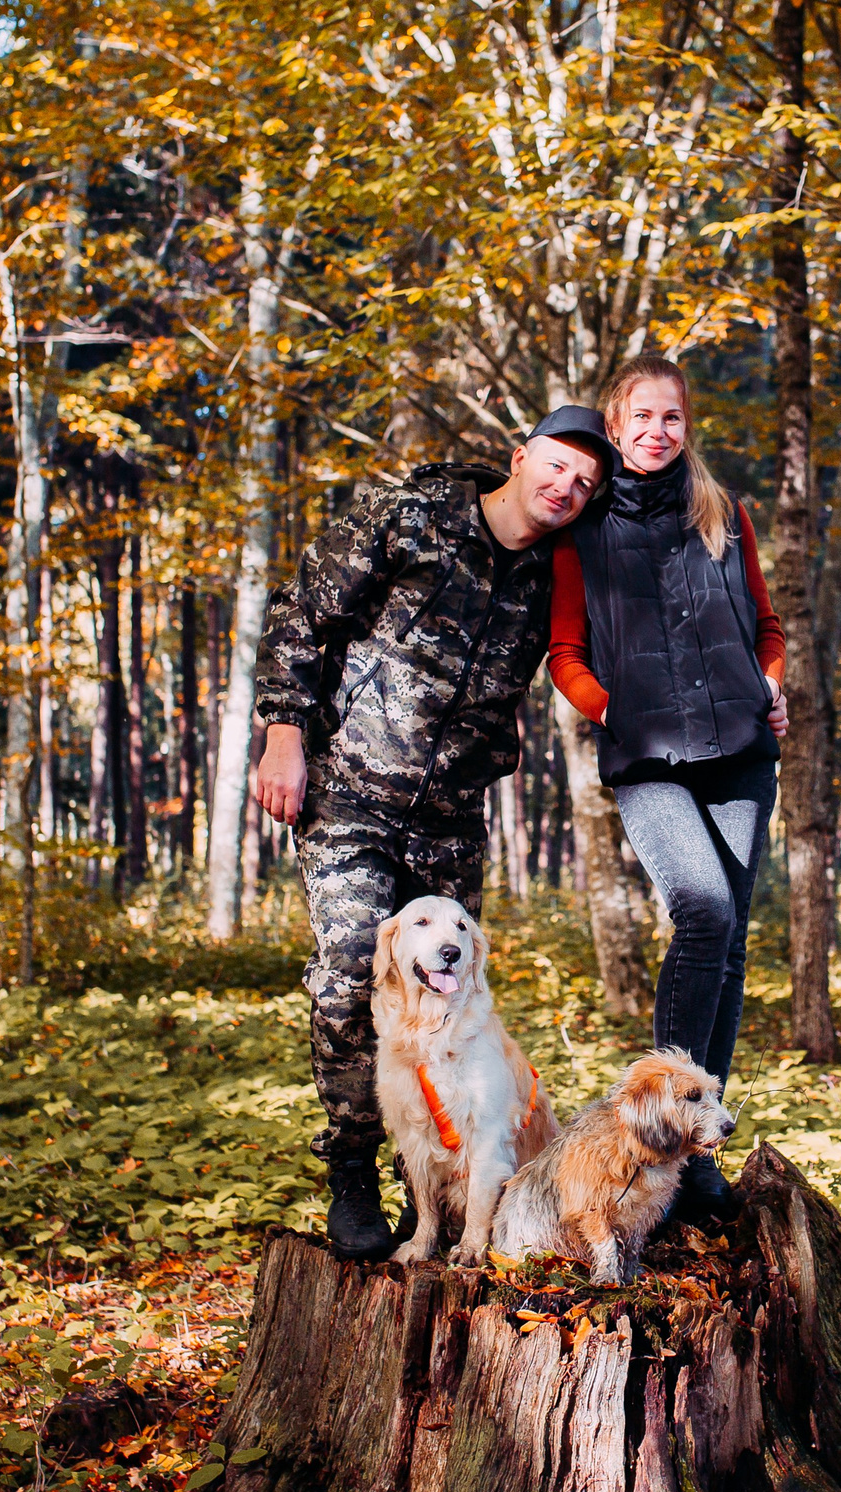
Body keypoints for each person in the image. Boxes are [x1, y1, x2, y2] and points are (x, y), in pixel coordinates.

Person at [253, 408, 613, 1260]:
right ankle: (352, 1172)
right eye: (556, 466)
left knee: (452, 1003)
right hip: (351, 793)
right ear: (521, 457)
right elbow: (303, 610)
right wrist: (282, 731)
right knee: (351, 969)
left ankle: (450, 1199)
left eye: (584, 484)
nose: (565, 487)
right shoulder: (412, 515)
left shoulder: (554, 575)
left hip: (450, 812)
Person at [546, 354, 787, 1223]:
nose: (657, 432)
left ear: (688, 427)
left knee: (730, 944)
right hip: (646, 757)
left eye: (672, 419)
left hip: (740, 754)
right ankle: (656, 1130)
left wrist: (772, 685)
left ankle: (696, 1156)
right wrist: (613, 708)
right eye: (640, 418)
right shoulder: (585, 527)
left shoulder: (726, 514)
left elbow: (766, 626)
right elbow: (564, 653)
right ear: (615, 428)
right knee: (704, 908)